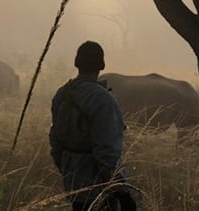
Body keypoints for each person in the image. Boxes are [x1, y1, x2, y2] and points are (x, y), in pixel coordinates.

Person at [49, 41, 136, 211]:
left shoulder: (62, 94)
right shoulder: (103, 99)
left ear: (77, 63)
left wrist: (67, 168)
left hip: (72, 180)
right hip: (99, 185)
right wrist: (122, 192)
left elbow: (55, 141)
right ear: (101, 65)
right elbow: (107, 151)